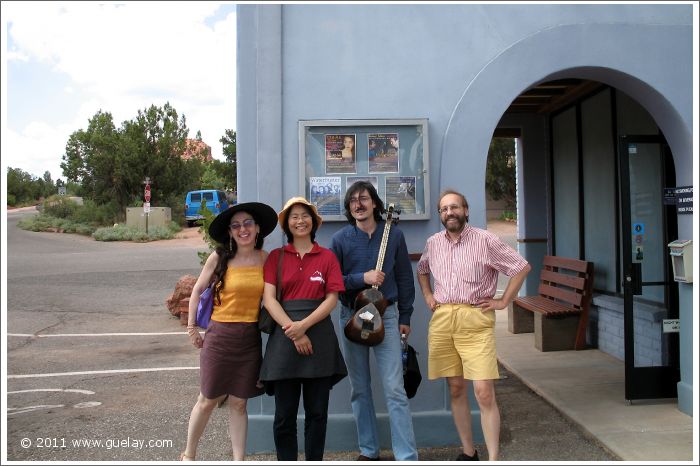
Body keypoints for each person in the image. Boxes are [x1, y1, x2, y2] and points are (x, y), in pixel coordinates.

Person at [416, 189, 531, 461]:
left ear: (466, 210)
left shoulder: (486, 240)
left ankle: (493, 458)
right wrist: (428, 295)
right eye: (444, 209)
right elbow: (422, 270)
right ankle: (469, 452)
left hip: (475, 319)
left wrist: (503, 300)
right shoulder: (434, 243)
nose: (449, 213)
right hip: (444, 320)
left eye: (454, 207)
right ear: (440, 215)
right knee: (455, 387)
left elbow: (521, 267)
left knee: (483, 391)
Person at [181, 201, 279, 461]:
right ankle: (189, 455)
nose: (242, 229)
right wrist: (192, 328)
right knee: (208, 399)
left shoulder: (265, 258)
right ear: (230, 232)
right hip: (219, 336)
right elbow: (197, 290)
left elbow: (273, 296)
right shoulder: (220, 257)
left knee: (239, 403)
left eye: (247, 223)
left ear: (257, 228)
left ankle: (239, 459)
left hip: (249, 339)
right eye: (236, 225)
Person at [330, 181, 418, 461]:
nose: (358, 204)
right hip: (351, 316)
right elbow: (333, 283)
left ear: (375, 204)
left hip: (387, 315)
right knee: (360, 389)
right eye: (353, 200)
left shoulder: (393, 235)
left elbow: (405, 277)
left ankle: (407, 456)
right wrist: (362, 278)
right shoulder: (340, 240)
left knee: (394, 388)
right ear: (348, 208)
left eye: (364, 198)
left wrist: (405, 316)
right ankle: (369, 451)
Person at [259, 196, 347, 461]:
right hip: (284, 340)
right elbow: (269, 299)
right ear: (287, 224)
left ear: (313, 221)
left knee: (317, 413)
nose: (300, 221)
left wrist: (304, 326)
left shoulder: (328, 257)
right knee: (284, 416)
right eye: (294, 217)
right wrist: (292, 329)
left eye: (305, 215)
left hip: (318, 338)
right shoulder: (276, 257)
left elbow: (332, 299)